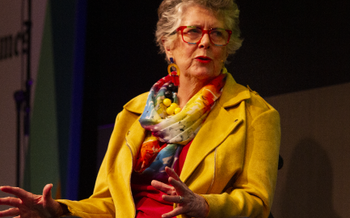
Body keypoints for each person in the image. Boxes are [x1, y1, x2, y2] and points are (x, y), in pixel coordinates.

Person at [0, 0, 281, 217]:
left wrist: (204, 206)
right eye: (193, 31)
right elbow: (108, 203)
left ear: (227, 46)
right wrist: (60, 210)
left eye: (217, 33)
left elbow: (257, 202)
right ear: (168, 45)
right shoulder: (135, 113)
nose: (205, 41)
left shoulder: (255, 114)